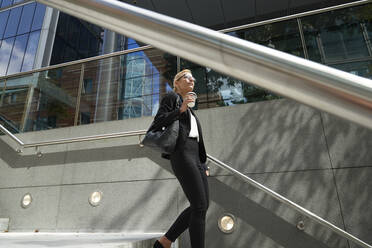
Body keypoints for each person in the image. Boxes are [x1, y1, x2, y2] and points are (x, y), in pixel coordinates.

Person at [152, 69, 210, 248]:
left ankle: (164, 242)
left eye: (192, 77)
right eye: (187, 76)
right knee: (199, 206)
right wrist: (180, 109)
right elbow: (158, 122)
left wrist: (204, 162)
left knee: (202, 206)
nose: (192, 79)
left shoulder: (192, 111)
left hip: (196, 158)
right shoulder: (172, 98)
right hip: (182, 154)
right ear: (177, 83)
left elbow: (197, 139)